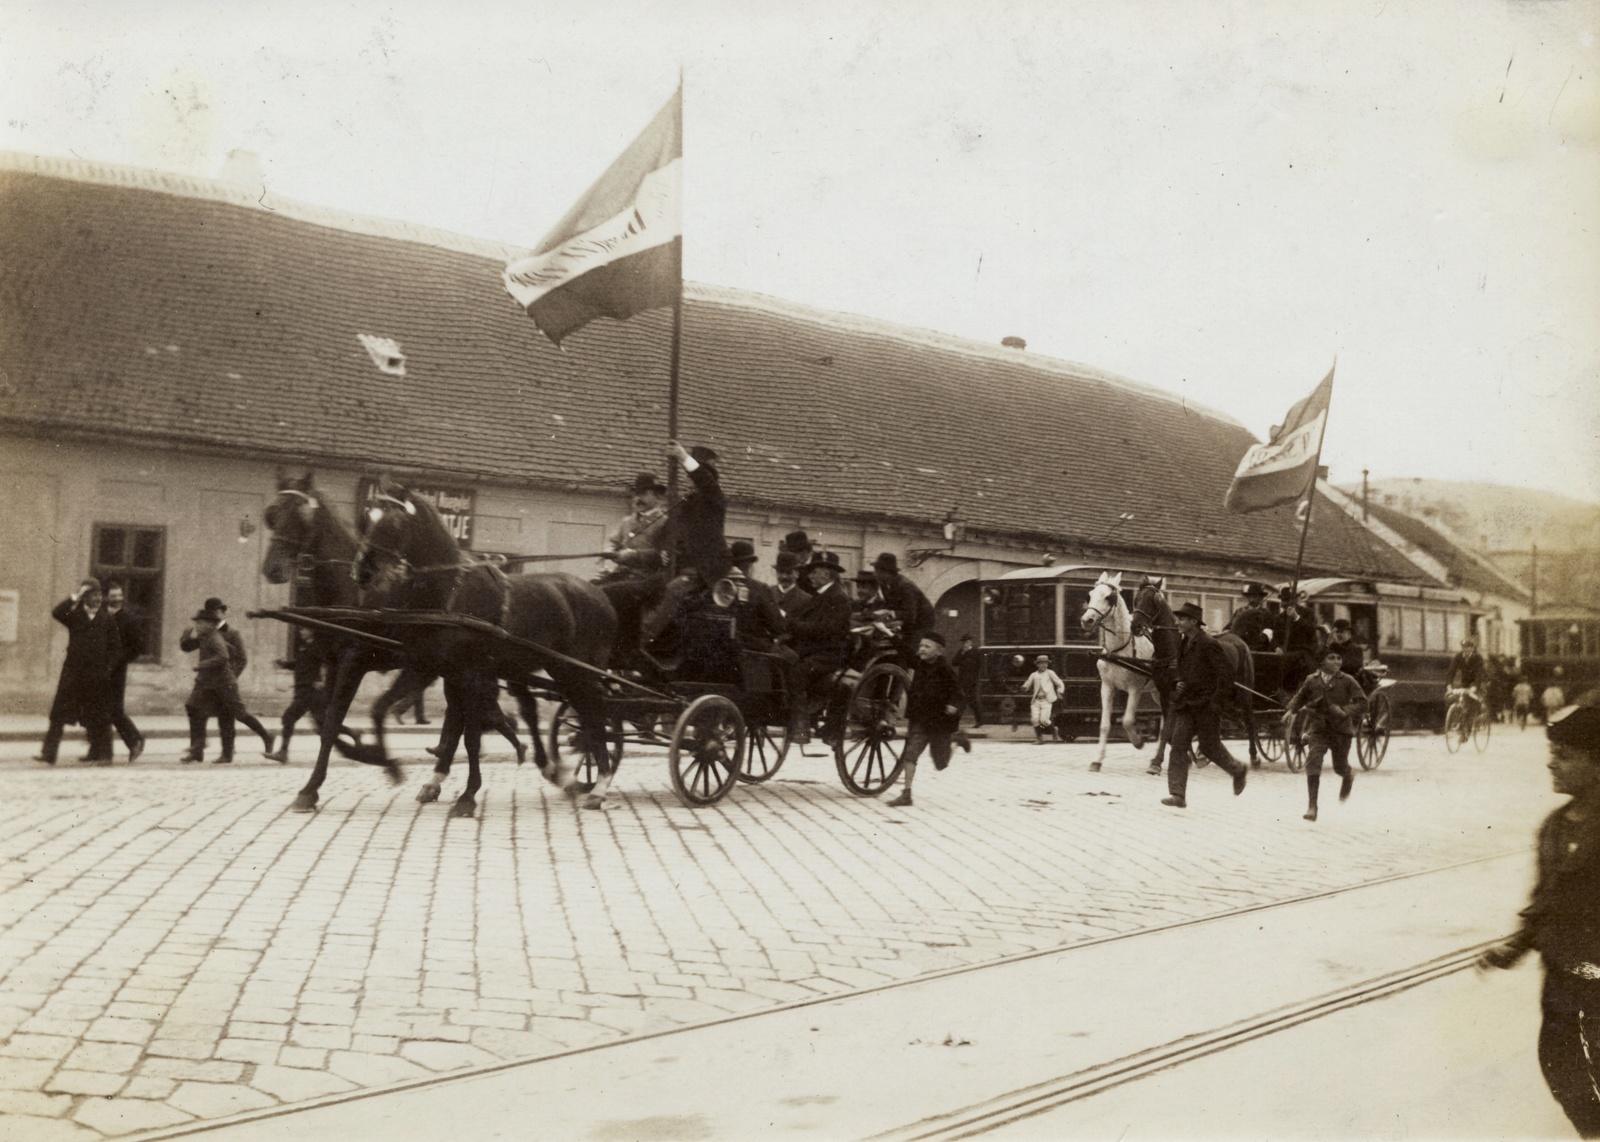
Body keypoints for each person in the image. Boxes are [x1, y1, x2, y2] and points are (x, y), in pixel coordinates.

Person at [1477, 697, 1600, 1137]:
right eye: (1551, 754)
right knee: (1560, 1064)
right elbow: (1543, 901)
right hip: (1562, 977)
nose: (1552, 765)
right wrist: (1514, 946)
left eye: (1564, 756)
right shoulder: (1553, 827)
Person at [1162, 602, 1248, 809]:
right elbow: (1181, 671)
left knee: (1210, 747)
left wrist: (1215, 702)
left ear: (1193, 622)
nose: (1178, 622)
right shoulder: (1184, 643)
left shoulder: (1208, 643)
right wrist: (1177, 682)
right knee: (1178, 745)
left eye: (1182, 619)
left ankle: (1237, 770)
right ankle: (1178, 794)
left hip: (1206, 705)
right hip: (1187, 704)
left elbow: (1226, 674)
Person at [641, 443, 730, 643]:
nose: (691, 485)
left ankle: (643, 639)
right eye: (690, 482)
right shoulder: (686, 504)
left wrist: (683, 458)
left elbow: (705, 482)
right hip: (682, 568)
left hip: (706, 569)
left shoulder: (714, 498)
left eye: (694, 481)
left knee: (674, 590)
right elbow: (665, 533)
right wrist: (664, 549)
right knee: (643, 588)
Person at [179, 600, 274, 763]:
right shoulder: (205, 632)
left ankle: (234, 750)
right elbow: (189, 647)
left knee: (230, 716)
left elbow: (242, 659)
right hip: (206, 681)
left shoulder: (232, 632)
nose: (212, 615)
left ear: (222, 612)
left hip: (224, 681)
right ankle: (197, 750)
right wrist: (185, 639)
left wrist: (231, 677)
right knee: (195, 710)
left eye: (215, 612)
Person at [36, 577, 116, 765]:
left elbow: (115, 648)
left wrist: (107, 668)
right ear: (84, 597)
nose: (97, 599)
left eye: (99, 595)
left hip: (97, 675)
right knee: (58, 714)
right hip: (73, 673)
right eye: (92, 595)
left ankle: (103, 754)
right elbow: (57, 612)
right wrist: (75, 596)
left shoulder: (107, 619)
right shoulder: (75, 616)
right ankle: (49, 754)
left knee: (99, 714)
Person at [1284, 647, 1368, 822]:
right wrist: (1290, 710)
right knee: (1313, 761)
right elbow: (1300, 697)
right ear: (1321, 662)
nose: (1337, 661)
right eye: (1332, 658)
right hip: (1319, 729)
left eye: (1339, 658)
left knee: (1339, 767)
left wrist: (1345, 710)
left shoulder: (1347, 681)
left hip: (1341, 731)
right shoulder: (1311, 680)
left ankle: (1348, 775)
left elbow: (1363, 703)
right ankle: (1312, 806)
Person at [885, 633, 968, 807]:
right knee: (910, 755)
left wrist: (953, 705)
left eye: (927, 646)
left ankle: (957, 740)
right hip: (920, 719)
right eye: (921, 645)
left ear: (939, 651)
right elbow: (905, 651)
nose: (921, 649)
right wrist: (889, 633)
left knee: (941, 764)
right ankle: (906, 794)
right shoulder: (919, 664)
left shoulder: (945, 670)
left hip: (940, 723)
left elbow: (959, 694)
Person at [781, 550, 853, 743]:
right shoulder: (819, 595)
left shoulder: (838, 597)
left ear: (828, 573)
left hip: (829, 655)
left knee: (798, 672)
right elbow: (798, 618)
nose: (810, 576)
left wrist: (794, 626)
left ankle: (801, 727)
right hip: (813, 652)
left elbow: (828, 630)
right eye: (810, 572)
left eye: (814, 572)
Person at [597, 472, 669, 583]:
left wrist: (634, 555)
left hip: (647, 578)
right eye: (637, 494)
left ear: (657, 497)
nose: (638, 498)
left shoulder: (664, 522)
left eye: (644, 494)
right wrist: (608, 550)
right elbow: (613, 541)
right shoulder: (627, 521)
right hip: (622, 574)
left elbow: (661, 555)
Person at [102, 580, 146, 762]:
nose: (118, 599)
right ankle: (97, 750)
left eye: (120, 595)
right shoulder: (101, 615)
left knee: (114, 709)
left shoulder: (130, 619)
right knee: (98, 709)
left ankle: (134, 740)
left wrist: (120, 659)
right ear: (106, 597)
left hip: (117, 670)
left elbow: (137, 647)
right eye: (113, 596)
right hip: (98, 668)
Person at [869, 552, 935, 663]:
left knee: (908, 652)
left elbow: (910, 615)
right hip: (908, 622)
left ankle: (910, 675)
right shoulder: (885, 585)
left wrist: (890, 613)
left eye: (877, 571)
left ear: (887, 572)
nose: (875, 574)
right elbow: (888, 605)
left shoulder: (905, 586)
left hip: (921, 624)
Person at [727, 541, 786, 653]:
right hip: (753, 650)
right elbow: (776, 625)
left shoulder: (720, 585)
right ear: (750, 564)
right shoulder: (759, 588)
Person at [1023, 654, 1065, 744]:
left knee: (1044, 720)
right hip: (1036, 701)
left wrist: (1059, 692)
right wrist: (1025, 687)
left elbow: (1059, 683)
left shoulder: (1050, 673)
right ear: (1037, 664)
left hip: (1047, 700)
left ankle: (1054, 731)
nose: (1044, 665)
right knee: (1034, 719)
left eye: (1045, 663)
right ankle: (1040, 739)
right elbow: (1028, 683)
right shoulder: (1033, 675)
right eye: (1041, 663)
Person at [1225, 583, 1275, 651]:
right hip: (1238, 645)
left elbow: (1267, 634)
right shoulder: (1240, 611)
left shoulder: (1266, 614)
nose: (1252, 599)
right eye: (1250, 597)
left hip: (1256, 648)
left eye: (1255, 596)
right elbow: (1228, 627)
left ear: (1261, 598)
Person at [1448, 637, 1487, 720]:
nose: (1465, 651)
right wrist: (1449, 685)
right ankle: (1459, 719)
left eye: (1467, 648)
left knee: (1474, 700)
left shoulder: (1477, 657)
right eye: (1463, 648)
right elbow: (1451, 671)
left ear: (1472, 648)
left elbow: (1479, 674)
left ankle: (1476, 718)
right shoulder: (1458, 657)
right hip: (1465, 682)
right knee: (1456, 698)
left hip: (1478, 682)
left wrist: (1475, 686)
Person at [953, 634, 983, 728]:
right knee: (961, 702)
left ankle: (979, 720)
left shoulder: (976, 652)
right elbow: (954, 662)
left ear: (970, 642)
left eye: (966, 642)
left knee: (972, 702)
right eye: (963, 642)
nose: (964, 644)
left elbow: (980, 665)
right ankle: (955, 723)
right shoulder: (961, 652)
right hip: (962, 681)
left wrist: (976, 678)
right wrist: (962, 654)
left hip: (972, 681)